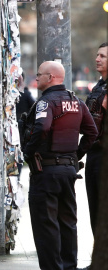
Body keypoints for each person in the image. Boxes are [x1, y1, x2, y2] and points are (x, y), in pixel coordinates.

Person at [21, 61, 97, 270]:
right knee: (67, 222)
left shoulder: (47, 102)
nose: (36, 78)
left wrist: (28, 151)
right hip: (68, 171)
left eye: (39, 75)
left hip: (45, 172)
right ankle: (69, 266)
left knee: (46, 224)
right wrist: (75, 156)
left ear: (50, 77)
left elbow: (43, 127)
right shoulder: (77, 102)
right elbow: (92, 133)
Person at [84, 42, 107, 235]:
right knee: (95, 208)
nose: (97, 59)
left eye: (103, 56)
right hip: (93, 153)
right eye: (97, 55)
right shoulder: (98, 86)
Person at [15, 73, 35, 177]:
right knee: (19, 154)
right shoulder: (26, 94)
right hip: (21, 130)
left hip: (16, 128)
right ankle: (17, 177)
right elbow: (34, 107)